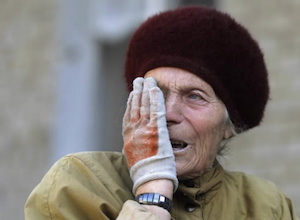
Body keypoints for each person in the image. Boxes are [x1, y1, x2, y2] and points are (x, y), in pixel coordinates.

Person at [24, 6, 299, 220]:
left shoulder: (266, 207)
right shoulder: (78, 185)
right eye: (156, 93)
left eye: (194, 96)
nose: (168, 113)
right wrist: (153, 199)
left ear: (230, 125)